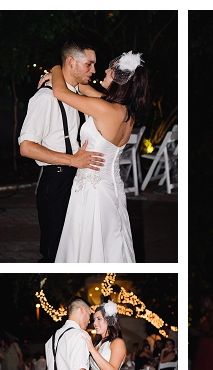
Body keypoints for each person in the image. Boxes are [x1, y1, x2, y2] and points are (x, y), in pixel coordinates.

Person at [40, 49, 149, 262]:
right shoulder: (126, 112)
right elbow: (83, 88)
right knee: (111, 239)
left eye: (112, 71)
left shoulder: (105, 109)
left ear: (120, 80)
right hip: (113, 188)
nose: (106, 71)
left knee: (91, 241)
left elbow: (61, 94)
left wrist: (55, 69)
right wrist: (72, 77)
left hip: (94, 190)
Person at [19, 42, 105, 263]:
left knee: (73, 248)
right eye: (89, 64)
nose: (94, 70)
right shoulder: (45, 98)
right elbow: (26, 147)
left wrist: (55, 70)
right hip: (56, 180)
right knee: (54, 252)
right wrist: (72, 160)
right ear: (71, 62)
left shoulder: (75, 95)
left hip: (77, 179)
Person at [44, 297, 115, 370]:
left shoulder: (52, 339)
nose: (89, 321)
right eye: (89, 315)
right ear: (82, 310)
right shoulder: (79, 335)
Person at [83, 302, 126, 370]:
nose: (94, 323)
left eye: (99, 319)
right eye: (94, 319)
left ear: (109, 321)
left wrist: (91, 349)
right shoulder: (97, 344)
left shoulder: (117, 342)